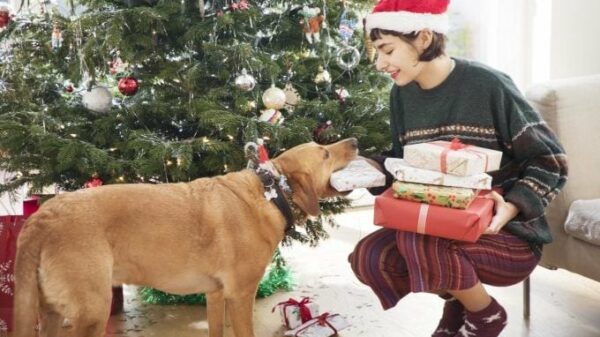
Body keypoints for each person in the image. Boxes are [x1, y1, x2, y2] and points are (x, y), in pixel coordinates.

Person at [348, 0, 568, 336]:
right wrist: (365, 169)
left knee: (422, 241)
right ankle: (460, 305)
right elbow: (405, 163)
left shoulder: (489, 85)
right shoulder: (402, 96)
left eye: (386, 49)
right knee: (370, 256)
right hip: (439, 224)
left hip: (506, 235)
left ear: (422, 38)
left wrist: (510, 207)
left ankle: (485, 317)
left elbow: (550, 160)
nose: (379, 63)